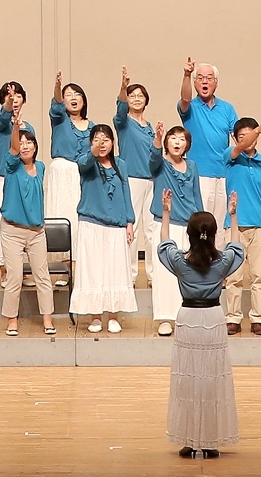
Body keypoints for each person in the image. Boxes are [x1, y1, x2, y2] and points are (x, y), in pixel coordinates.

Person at [155, 194, 245, 460]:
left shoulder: (181, 263)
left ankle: (189, 441)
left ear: (190, 235)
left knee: (187, 380)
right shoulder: (222, 263)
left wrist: (166, 213)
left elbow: (164, 245)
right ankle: (209, 442)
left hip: (189, 319)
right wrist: (234, 214)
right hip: (214, 318)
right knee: (211, 381)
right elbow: (237, 247)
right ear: (214, 235)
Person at [70, 125, 138, 333]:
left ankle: (114, 315)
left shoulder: (121, 165)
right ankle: (95, 316)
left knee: (115, 270)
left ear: (113, 142)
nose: (102, 143)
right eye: (97, 139)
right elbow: (83, 163)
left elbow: (126, 192)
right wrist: (93, 150)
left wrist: (129, 221)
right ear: (91, 142)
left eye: (106, 139)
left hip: (117, 224)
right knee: (93, 270)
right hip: (91, 223)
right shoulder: (86, 162)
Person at [0, 115, 54, 336]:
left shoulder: (40, 167)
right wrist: (15, 128)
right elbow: (12, 150)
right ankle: (12, 320)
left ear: (35, 146)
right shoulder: (11, 166)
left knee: (43, 275)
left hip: (37, 232)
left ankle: (48, 319)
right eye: (21, 143)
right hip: (12, 230)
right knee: (15, 276)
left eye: (29, 142)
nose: (25, 146)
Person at [145, 124, 202, 337]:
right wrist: (157, 138)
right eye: (173, 138)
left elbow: (197, 197)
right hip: (165, 224)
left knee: (190, 272)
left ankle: (187, 315)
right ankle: (165, 318)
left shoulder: (193, 166)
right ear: (167, 143)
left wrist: (202, 228)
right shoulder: (160, 164)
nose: (178, 142)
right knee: (164, 273)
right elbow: (152, 158)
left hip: (189, 226)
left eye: (182, 139)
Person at [222, 117, 261, 336]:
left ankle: (257, 318)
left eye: (251, 134)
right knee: (234, 276)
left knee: (258, 275)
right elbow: (241, 147)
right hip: (234, 225)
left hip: (260, 226)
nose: (249, 140)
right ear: (235, 138)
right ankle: (233, 318)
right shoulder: (230, 157)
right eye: (242, 136)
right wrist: (258, 131)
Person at [177, 58, 234, 249]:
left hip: (223, 174)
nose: (204, 82)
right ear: (194, 83)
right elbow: (184, 98)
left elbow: (236, 138)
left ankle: (216, 264)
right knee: (200, 221)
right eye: (200, 78)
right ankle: (197, 262)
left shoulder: (227, 108)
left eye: (209, 78)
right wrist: (186, 74)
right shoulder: (190, 106)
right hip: (199, 173)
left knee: (219, 222)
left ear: (216, 83)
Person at [116, 67, 161, 284]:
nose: (136, 99)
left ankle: (154, 275)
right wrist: (124, 86)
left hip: (153, 180)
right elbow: (120, 108)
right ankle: (130, 274)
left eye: (140, 95)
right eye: (132, 95)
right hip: (132, 179)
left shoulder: (150, 127)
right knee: (130, 229)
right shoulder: (123, 122)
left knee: (152, 230)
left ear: (146, 100)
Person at [0, 81, 31, 268]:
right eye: (10, 96)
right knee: (0, 223)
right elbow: (3, 118)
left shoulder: (29, 128)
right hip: (2, 180)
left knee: (23, 224)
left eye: (18, 96)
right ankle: (4, 270)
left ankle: (23, 269)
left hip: (22, 180)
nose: (15, 100)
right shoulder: (0, 124)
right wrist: (8, 105)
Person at [47, 72, 94, 226]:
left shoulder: (92, 126)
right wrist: (57, 87)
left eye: (77, 94)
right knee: (62, 216)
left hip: (85, 176)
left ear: (84, 100)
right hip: (62, 173)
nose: (73, 97)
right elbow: (57, 106)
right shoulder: (59, 119)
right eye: (68, 95)